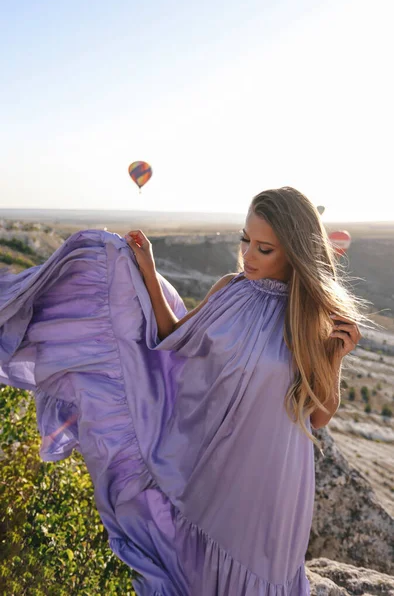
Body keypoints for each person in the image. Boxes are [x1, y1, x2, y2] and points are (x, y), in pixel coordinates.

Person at [0, 186, 365, 595]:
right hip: (214, 463)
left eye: (264, 249)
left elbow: (316, 416)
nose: (247, 256)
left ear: (295, 252)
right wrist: (148, 272)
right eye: (245, 240)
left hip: (273, 476)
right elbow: (176, 337)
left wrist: (333, 360)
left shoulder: (311, 317)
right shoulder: (230, 289)